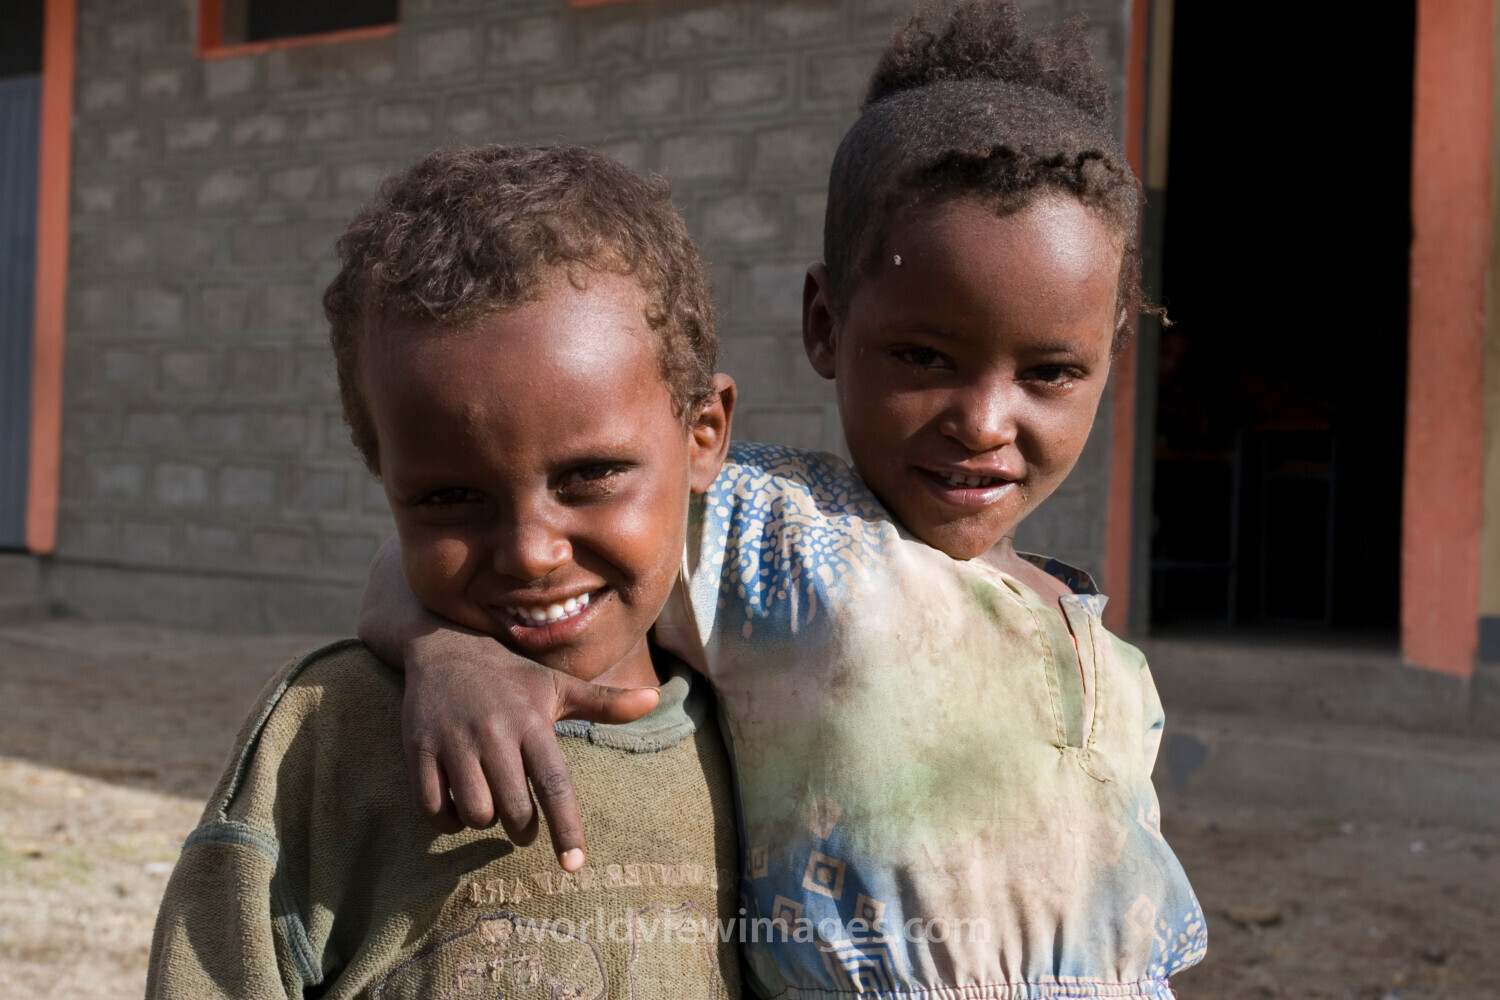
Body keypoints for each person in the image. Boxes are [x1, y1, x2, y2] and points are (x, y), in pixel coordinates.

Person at [359, 3, 1208, 997]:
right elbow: (456, 560)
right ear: (825, 323)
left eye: (1051, 372)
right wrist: (448, 653)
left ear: (1114, 359)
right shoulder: (774, 542)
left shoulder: (1107, 658)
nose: (984, 419)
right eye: (923, 356)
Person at [145, 144, 744, 1000]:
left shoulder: (763, 709)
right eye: (452, 497)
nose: (532, 551)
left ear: (703, 434)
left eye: (591, 476)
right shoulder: (335, 734)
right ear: (382, 474)